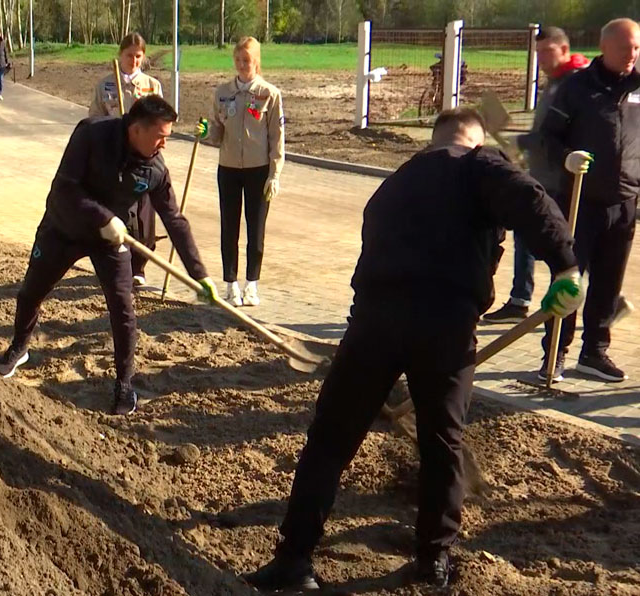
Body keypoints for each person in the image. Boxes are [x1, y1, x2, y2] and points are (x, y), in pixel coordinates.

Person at [242, 108, 582, 592]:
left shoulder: (394, 183)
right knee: (442, 445)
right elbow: (529, 197)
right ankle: (433, 560)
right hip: (443, 325)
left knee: (330, 441)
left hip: (373, 323)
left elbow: (369, 252)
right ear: (474, 139)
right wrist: (566, 265)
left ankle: (293, 559)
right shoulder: (478, 163)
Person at [0, 96, 218, 415]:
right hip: (64, 226)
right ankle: (19, 347)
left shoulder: (154, 169)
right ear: (136, 129)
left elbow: (174, 220)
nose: (164, 144)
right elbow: (64, 188)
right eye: (161, 135)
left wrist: (199, 275)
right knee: (32, 291)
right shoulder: (91, 134)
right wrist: (103, 217)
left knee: (123, 308)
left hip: (110, 240)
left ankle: (125, 383)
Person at [536, 18, 640, 383]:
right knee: (569, 279)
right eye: (627, 48)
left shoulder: (639, 86)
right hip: (581, 201)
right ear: (605, 46)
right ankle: (555, 353)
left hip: (625, 202)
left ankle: (594, 353)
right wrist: (566, 157)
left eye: (638, 48)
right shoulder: (578, 88)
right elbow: (547, 136)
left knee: (608, 283)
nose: (633, 55)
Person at [484, 26, 589, 324]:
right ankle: (521, 299)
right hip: (544, 175)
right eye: (538, 51)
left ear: (564, 50)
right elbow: (543, 131)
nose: (540, 57)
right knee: (527, 235)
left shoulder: (573, 85)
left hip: (565, 181)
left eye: (547, 51)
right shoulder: (555, 82)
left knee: (565, 246)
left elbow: (553, 136)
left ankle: (588, 303)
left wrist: (523, 142)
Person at [196, 36, 284, 307]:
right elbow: (217, 131)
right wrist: (205, 133)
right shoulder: (223, 93)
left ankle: (252, 284)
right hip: (229, 169)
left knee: (255, 230)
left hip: (258, 171)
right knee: (229, 228)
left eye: (247, 60)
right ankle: (230, 284)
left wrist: (275, 173)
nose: (242, 65)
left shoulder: (269, 94)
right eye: (238, 60)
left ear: (256, 62)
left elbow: (277, 136)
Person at [89, 33, 163, 287]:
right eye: (129, 55)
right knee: (115, 212)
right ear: (120, 55)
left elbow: (160, 123)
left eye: (138, 56)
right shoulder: (105, 86)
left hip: (142, 159)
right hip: (114, 157)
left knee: (143, 214)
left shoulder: (152, 86)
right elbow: (94, 120)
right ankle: (113, 263)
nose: (133, 60)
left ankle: (139, 267)